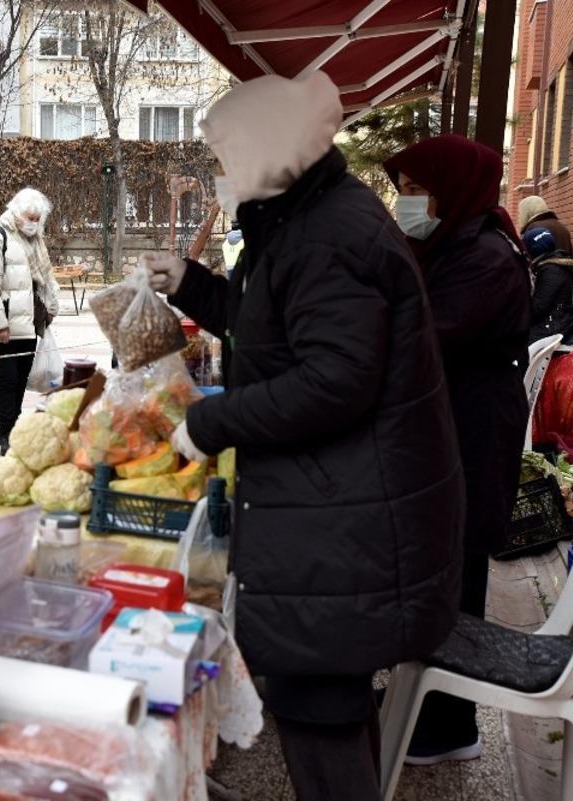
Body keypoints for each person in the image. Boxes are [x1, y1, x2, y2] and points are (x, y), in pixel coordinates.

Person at [143, 73, 463, 801]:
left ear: (260, 153)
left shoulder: (328, 234)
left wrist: (208, 421)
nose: (220, 176)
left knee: (317, 704)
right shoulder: (297, 219)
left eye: (224, 159)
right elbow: (271, 325)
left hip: (346, 516)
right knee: (328, 702)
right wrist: (190, 282)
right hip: (339, 504)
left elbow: (332, 381)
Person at [384, 134, 531, 765]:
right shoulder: (449, 244)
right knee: (438, 561)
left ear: (454, 188)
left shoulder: (488, 257)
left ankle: (451, 725)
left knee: (456, 562)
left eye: (415, 190)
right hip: (452, 414)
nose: (404, 202)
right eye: (402, 190)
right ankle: (428, 695)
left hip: (473, 421)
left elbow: (426, 335)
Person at [0, 188, 59, 453]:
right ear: (16, 212)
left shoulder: (36, 242)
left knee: (22, 376)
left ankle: (8, 427)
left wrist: (50, 308)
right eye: (29, 217)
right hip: (7, 323)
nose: (33, 222)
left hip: (30, 323)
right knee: (7, 377)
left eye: (37, 218)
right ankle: (7, 431)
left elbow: (44, 279)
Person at [523, 227, 573, 345]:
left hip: (555, 326)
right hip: (559, 322)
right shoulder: (553, 263)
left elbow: (538, 308)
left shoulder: (551, 270)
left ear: (533, 249)